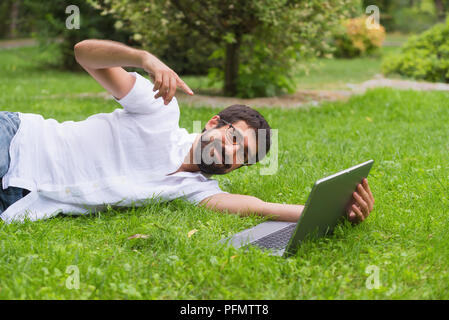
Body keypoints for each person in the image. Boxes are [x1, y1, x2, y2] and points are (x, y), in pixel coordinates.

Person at [0, 39, 374, 224]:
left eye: (242, 158)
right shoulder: (161, 111)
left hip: (19, 199)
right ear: (214, 123)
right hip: (17, 141)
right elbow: (83, 53)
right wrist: (143, 59)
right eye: (234, 140)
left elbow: (258, 208)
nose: (231, 155)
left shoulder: (192, 190)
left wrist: (332, 211)